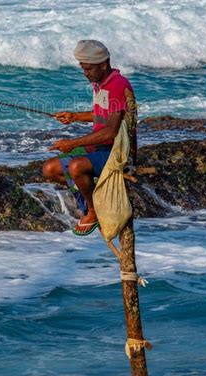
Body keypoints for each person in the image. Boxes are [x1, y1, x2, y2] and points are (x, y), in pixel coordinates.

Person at [43, 39, 137, 236]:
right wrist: (75, 116)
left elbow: (110, 131)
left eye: (88, 69)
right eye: (83, 68)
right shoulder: (100, 83)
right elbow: (102, 113)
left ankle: (93, 211)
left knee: (76, 166)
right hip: (98, 148)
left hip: (115, 153)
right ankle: (91, 202)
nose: (85, 73)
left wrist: (72, 143)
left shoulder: (117, 86)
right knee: (50, 169)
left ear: (103, 65)